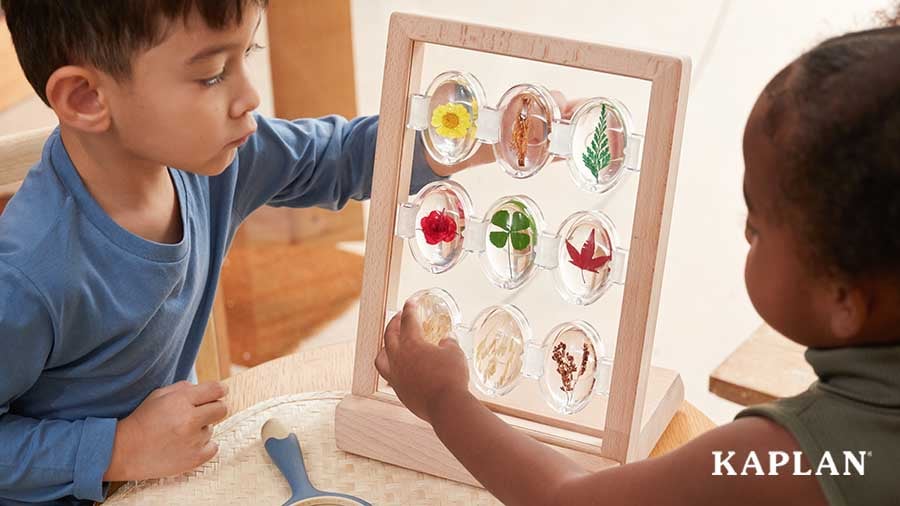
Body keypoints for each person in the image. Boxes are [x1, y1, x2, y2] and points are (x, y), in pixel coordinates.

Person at [375, 12, 900, 506]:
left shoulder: (789, 459)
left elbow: (568, 500)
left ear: (843, 298)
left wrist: (444, 399)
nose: (744, 229)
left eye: (757, 224)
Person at [0, 1, 488, 503]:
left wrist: (457, 141)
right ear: (85, 98)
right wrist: (119, 448)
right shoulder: (26, 274)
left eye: (247, 53)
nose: (250, 96)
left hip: (163, 477)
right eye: (212, 75)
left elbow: (337, 156)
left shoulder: (209, 159)